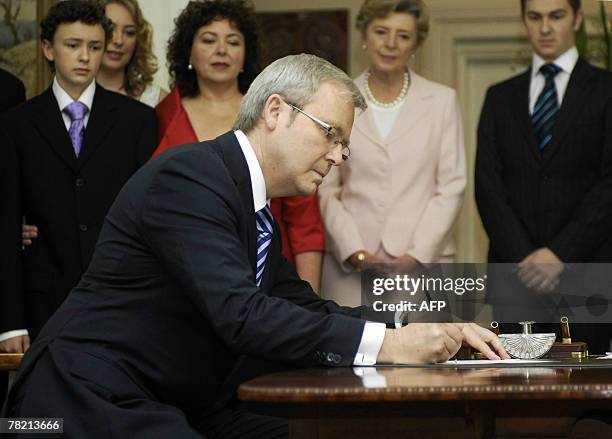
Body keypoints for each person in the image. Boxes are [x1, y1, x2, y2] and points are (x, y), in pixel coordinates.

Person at [2, 53, 507, 438]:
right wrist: (393, 347)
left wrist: (417, 328)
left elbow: (304, 306)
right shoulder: (191, 177)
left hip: (178, 400)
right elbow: (241, 314)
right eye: (331, 135)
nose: (338, 157)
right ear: (274, 111)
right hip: (81, 398)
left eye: (344, 145)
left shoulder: (253, 204)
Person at [0, 0, 157, 353]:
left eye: (95, 46)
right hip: (42, 298)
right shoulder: (16, 124)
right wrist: (9, 323)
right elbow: (7, 222)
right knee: (42, 407)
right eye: (73, 45)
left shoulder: (137, 122)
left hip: (118, 297)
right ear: (48, 48)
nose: (84, 56)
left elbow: (147, 217)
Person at [153, 0, 326, 292]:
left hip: (264, 276)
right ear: (189, 51)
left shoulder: (273, 114)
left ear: (246, 54)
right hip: (178, 278)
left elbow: (304, 220)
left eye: (233, 41)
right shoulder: (160, 115)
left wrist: (309, 302)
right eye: (209, 40)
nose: (221, 50)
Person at [475, 0, 612, 353]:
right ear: (524, 21)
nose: (546, 28)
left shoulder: (606, 90)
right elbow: (487, 186)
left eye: (557, 16)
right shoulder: (499, 97)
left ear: (577, 19)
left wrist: (559, 254)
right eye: (535, 17)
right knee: (513, 396)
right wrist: (526, 259)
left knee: (587, 395)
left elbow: (609, 184)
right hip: (515, 275)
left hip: (588, 272)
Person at [319, 0, 466, 306]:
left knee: (429, 352)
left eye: (403, 35)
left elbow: (451, 187)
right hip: (351, 267)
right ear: (365, 34)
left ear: (416, 44)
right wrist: (356, 252)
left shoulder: (441, 101)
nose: (390, 43)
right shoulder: (337, 99)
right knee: (351, 351)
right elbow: (326, 187)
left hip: (424, 265)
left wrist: (417, 254)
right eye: (381, 31)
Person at [96, 0, 167, 106]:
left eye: (129, 32)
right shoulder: (68, 93)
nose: (118, 41)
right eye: (110, 29)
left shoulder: (157, 100)